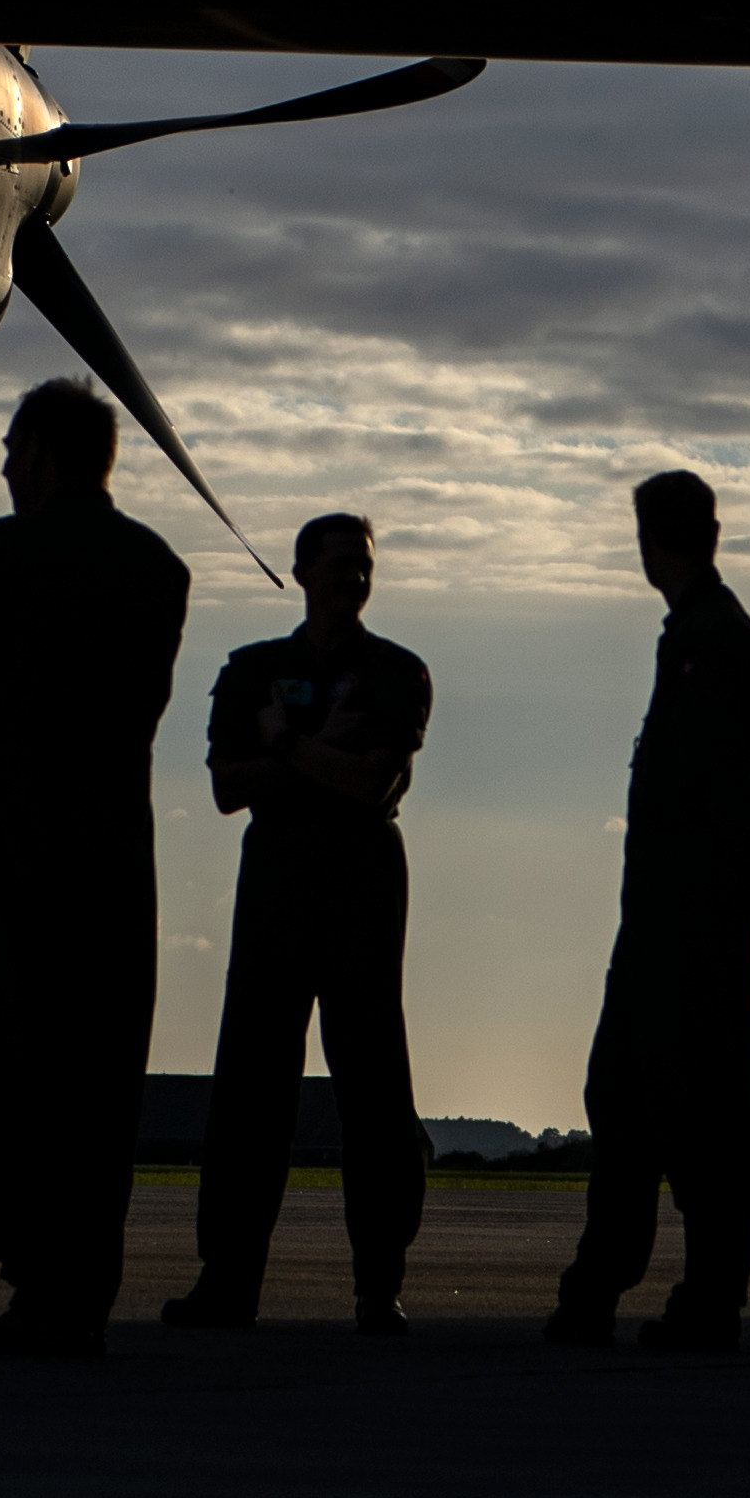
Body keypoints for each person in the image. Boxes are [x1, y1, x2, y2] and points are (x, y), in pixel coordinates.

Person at [0, 376, 191, 1356]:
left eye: (15, 450)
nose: (6, 467)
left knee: (5, 1061)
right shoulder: (157, 567)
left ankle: (34, 1272)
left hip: (17, 839)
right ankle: (83, 1287)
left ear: (48, 456)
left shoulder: (4, 556)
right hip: (118, 845)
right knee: (100, 1073)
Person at [548, 467, 750, 1355]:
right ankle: (618, 1288)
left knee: (686, 1111)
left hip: (686, 921)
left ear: (645, 543)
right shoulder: (710, 634)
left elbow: (727, 776)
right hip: (673, 916)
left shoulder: (712, 640)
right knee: (638, 1100)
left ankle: (679, 1297)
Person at [158, 512, 435, 1337]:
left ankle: (379, 1284)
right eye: (340, 563)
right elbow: (226, 789)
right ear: (302, 571)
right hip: (277, 886)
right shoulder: (252, 670)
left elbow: (372, 785)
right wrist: (321, 755)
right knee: (250, 1089)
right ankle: (228, 1281)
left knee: (375, 1090)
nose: (355, 578)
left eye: (364, 565)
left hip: (361, 888)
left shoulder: (396, 672)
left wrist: (283, 746)